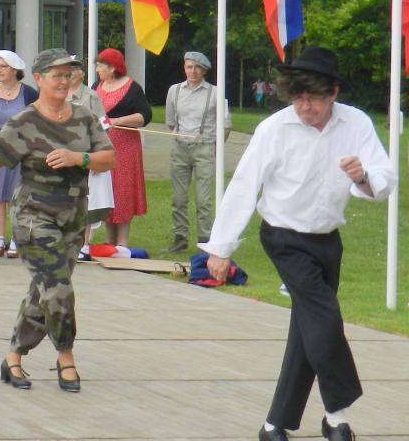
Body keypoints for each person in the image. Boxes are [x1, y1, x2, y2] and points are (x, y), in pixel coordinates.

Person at [202, 47, 394, 441]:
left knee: (308, 331)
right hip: (283, 237)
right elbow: (243, 186)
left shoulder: (356, 123)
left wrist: (362, 176)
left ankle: (275, 425)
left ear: (333, 93)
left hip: (328, 239)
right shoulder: (274, 129)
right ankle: (338, 415)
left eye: (314, 98)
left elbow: (385, 178)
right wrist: (221, 248)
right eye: (298, 97)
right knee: (325, 322)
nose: (305, 107)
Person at [0, 48, 115, 394]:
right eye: (57, 75)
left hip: (73, 218)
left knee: (44, 292)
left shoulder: (84, 118)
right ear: (39, 79)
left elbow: (107, 158)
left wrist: (77, 157)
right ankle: (66, 357)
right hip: (35, 218)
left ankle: (13, 356)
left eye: (69, 75)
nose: (65, 81)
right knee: (59, 291)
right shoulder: (24, 122)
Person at [163, 51, 230, 253]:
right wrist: (178, 137)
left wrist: (214, 147)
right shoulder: (174, 91)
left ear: (204, 70)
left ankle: (205, 240)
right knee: (178, 198)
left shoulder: (215, 93)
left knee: (203, 199)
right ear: (184, 68)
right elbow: (170, 122)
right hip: (180, 147)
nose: (193, 71)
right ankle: (180, 238)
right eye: (189, 67)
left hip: (205, 147)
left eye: (197, 68)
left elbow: (226, 126)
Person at [0, 49, 38, 258]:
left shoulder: (29, 93)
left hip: (21, 149)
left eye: (3, 66)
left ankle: (17, 239)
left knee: (18, 194)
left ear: (15, 70)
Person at [91, 47, 151, 247]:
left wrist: (115, 121)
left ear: (112, 67)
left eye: (100, 65)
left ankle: (122, 243)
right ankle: (109, 240)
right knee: (105, 190)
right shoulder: (96, 86)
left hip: (125, 148)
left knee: (122, 190)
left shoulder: (133, 88)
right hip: (102, 147)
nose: (97, 69)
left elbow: (144, 116)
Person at [68, 64, 112, 259]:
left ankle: (84, 243)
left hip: (86, 154)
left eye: (72, 71)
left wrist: (97, 157)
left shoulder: (91, 96)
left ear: (81, 74)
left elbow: (104, 126)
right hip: (64, 153)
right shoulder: (58, 92)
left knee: (86, 198)